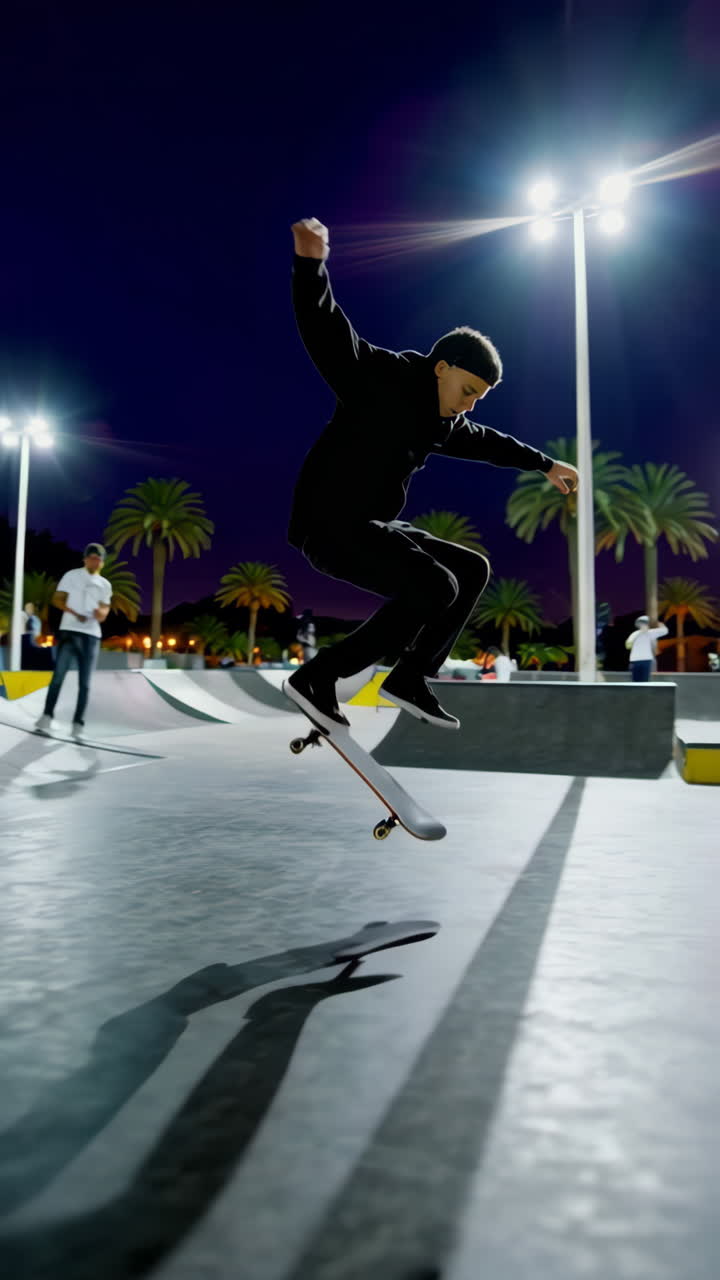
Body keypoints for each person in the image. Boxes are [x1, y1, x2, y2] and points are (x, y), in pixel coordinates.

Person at [284, 217, 578, 733]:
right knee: (434, 586)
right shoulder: (381, 379)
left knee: (470, 569)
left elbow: (487, 442)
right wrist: (310, 264)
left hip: (370, 526)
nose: (467, 407)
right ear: (442, 367)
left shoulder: (446, 423)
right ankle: (318, 677)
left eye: (478, 400)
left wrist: (544, 463)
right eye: (467, 391)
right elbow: (327, 330)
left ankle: (411, 677)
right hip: (327, 523)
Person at [35, 543, 112, 739]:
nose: (95, 562)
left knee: (85, 683)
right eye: (92, 558)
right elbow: (57, 599)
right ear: (85, 559)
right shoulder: (72, 576)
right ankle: (46, 716)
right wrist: (74, 612)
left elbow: (104, 612)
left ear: (102, 562)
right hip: (69, 631)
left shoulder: (105, 585)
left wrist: (99, 612)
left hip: (92, 636)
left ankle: (78, 724)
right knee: (58, 676)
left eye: (99, 559)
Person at [625, 614, 668, 682]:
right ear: (639, 625)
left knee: (645, 681)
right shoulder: (634, 634)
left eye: (645, 623)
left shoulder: (651, 633)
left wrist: (659, 624)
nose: (644, 625)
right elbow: (628, 646)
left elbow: (665, 631)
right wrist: (640, 633)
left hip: (646, 660)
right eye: (642, 623)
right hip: (635, 660)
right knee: (635, 681)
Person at [20, 601, 43, 669]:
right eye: (28, 608)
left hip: (33, 643)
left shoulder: (36, 620)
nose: (30, 609)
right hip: (24, 642)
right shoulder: (21, 616)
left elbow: (37, 632)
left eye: (32, 608)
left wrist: (38, 643)